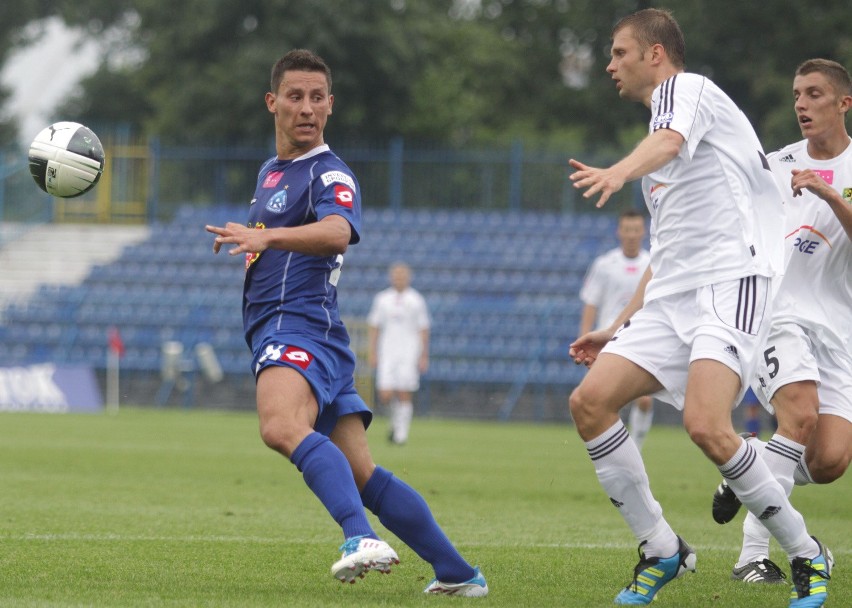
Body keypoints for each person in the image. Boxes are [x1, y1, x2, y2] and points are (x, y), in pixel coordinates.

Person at [566, 9, 831, 607]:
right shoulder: (657, 172)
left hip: (732, 281)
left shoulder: (687, 91)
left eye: (619, 52)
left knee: (707, 428)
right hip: (672, 297)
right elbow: (665, 253)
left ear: (655, 55)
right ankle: (661, 547)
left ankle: (807, 553)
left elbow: (667, 140)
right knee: (589, 403)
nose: (610, 65)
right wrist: (617, 325)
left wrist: (616, 169)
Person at [205, 49, 487, 597]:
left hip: (298, 326)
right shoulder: (272, 172)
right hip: (314, 333)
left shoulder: (329, 171)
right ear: (273, 103)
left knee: (279, 425)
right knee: (364, 475)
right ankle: (457, 572)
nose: (306, 108)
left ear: (331, 106)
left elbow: (338, 231)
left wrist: (266, 236)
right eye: (295, 96)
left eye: (317, 98)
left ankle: (359, 536)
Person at [710, 58, 851, 585]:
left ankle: (748, 466)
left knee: (832, 460)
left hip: (839, 330)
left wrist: (831, 195)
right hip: (779, 315)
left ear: (843, 103)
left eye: (814, 94)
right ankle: (753, 556)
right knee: (799, 415)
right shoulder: (774, 165)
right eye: (796, 95)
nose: (801, 105)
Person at [578, 208, 654, 450]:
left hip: (640, 337)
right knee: (606, 401)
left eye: (636, 229)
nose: (631, 234)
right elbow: (591, 302)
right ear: (619, 232)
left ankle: (637, 448)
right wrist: (584, 335)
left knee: (644, 401)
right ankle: (615, 450)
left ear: (643, 231)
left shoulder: (652, 264)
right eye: (627, 229)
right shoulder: (605, 264)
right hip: (609, 340)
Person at [367, 261, 430, 445]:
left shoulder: (416, 300)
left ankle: (401, 434)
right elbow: (374, 326)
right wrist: (373, 351)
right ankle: (395, 423)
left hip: (409, 353)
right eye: (396, 275)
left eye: (402, 275)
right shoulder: (382, 299)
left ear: (408, 277)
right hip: (387, 352)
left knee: (404, 392)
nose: (399, 278)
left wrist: (424, 355)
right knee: (385, 394)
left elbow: (424, 328)